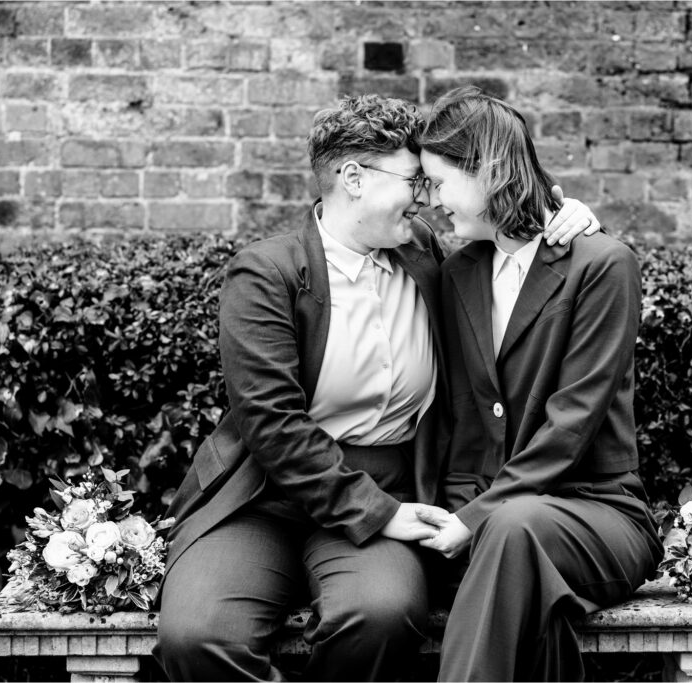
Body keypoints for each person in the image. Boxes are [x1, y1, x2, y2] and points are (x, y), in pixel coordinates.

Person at [153, 93, 599, 682]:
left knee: (381, 615)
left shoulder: (429, 257)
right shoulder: (266, 274)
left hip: (391, 486)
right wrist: (378, 514)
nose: (427, 199)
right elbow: (272, 425)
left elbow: (515, 239)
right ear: (354, 178)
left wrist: (570, 218)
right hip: (262, 500)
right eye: (415, 180)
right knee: (198, 635)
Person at [415, 86, 665, 681]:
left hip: (594, 511)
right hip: (486, 516)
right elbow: (456, 417)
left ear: (487, 170)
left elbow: (572, 424)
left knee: (509, 529)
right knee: (508, 556)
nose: (432, 200)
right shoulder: (457, 273)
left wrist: (476, 516)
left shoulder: (601, 266)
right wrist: (453, 512)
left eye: (440, 181)